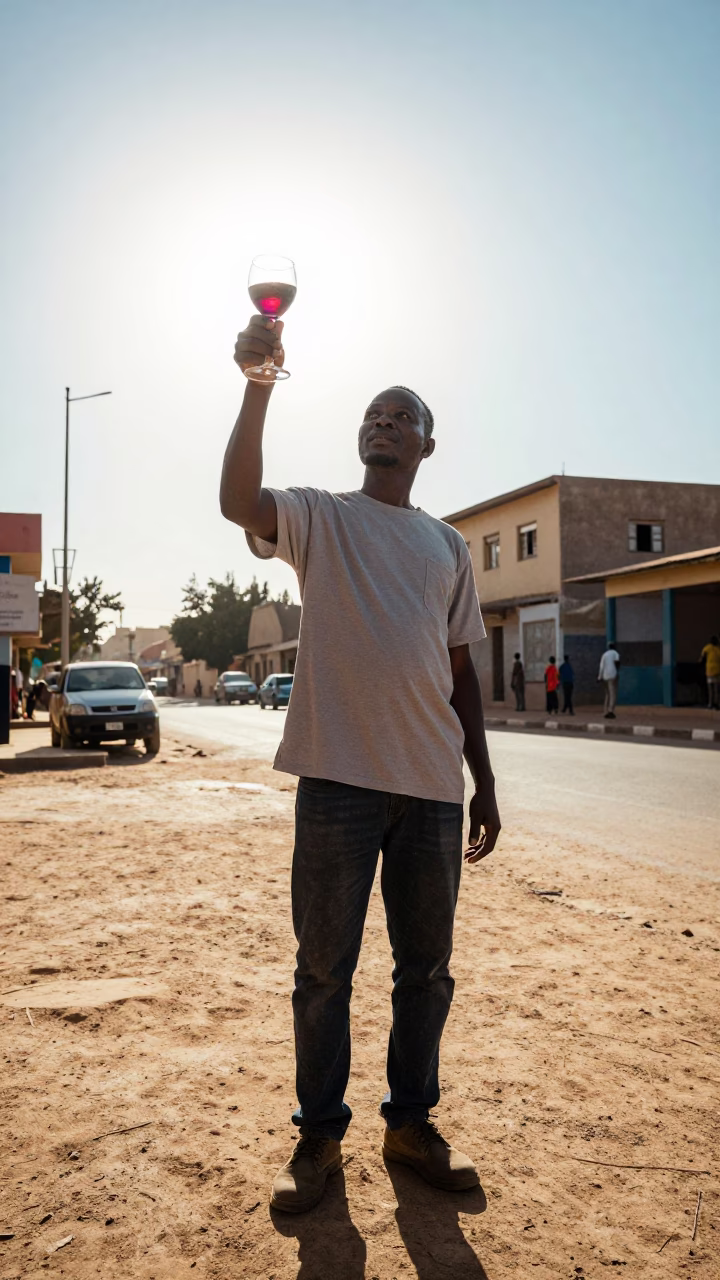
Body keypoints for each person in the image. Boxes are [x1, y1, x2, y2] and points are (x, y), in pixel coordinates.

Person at [220, 314, 501, 1214]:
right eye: (373, 414)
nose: (383, 422)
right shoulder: (321, 516)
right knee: (323, 972)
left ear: (426, 442)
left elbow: (460, 667)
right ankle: (318, 1139)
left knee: (426, 971)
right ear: (361, 438)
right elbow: (238, 501)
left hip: (431, 790)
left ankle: (410, 1126)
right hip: (336, 781)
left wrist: (485, 778)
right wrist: (259, 384)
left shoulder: (449, 546)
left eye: (401, 414)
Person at [598, 643, 621, 718]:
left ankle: (605, 710)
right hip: (612, 675)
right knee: (612, 694)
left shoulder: (604, 654)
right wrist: (617, 672)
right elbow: (617, 663)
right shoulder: (615, 653)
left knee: (607, 694)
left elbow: (601, 666)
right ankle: (611, 711)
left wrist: (599, 677)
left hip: (605, 676)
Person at [700, 634, 720, 710]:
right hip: (718, 671)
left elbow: (702, 656)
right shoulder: (718, 649)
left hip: (710, 671)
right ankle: (716, 703)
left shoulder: (707, 647)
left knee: (710, 689)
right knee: (716, 689)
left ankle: (710, 703)